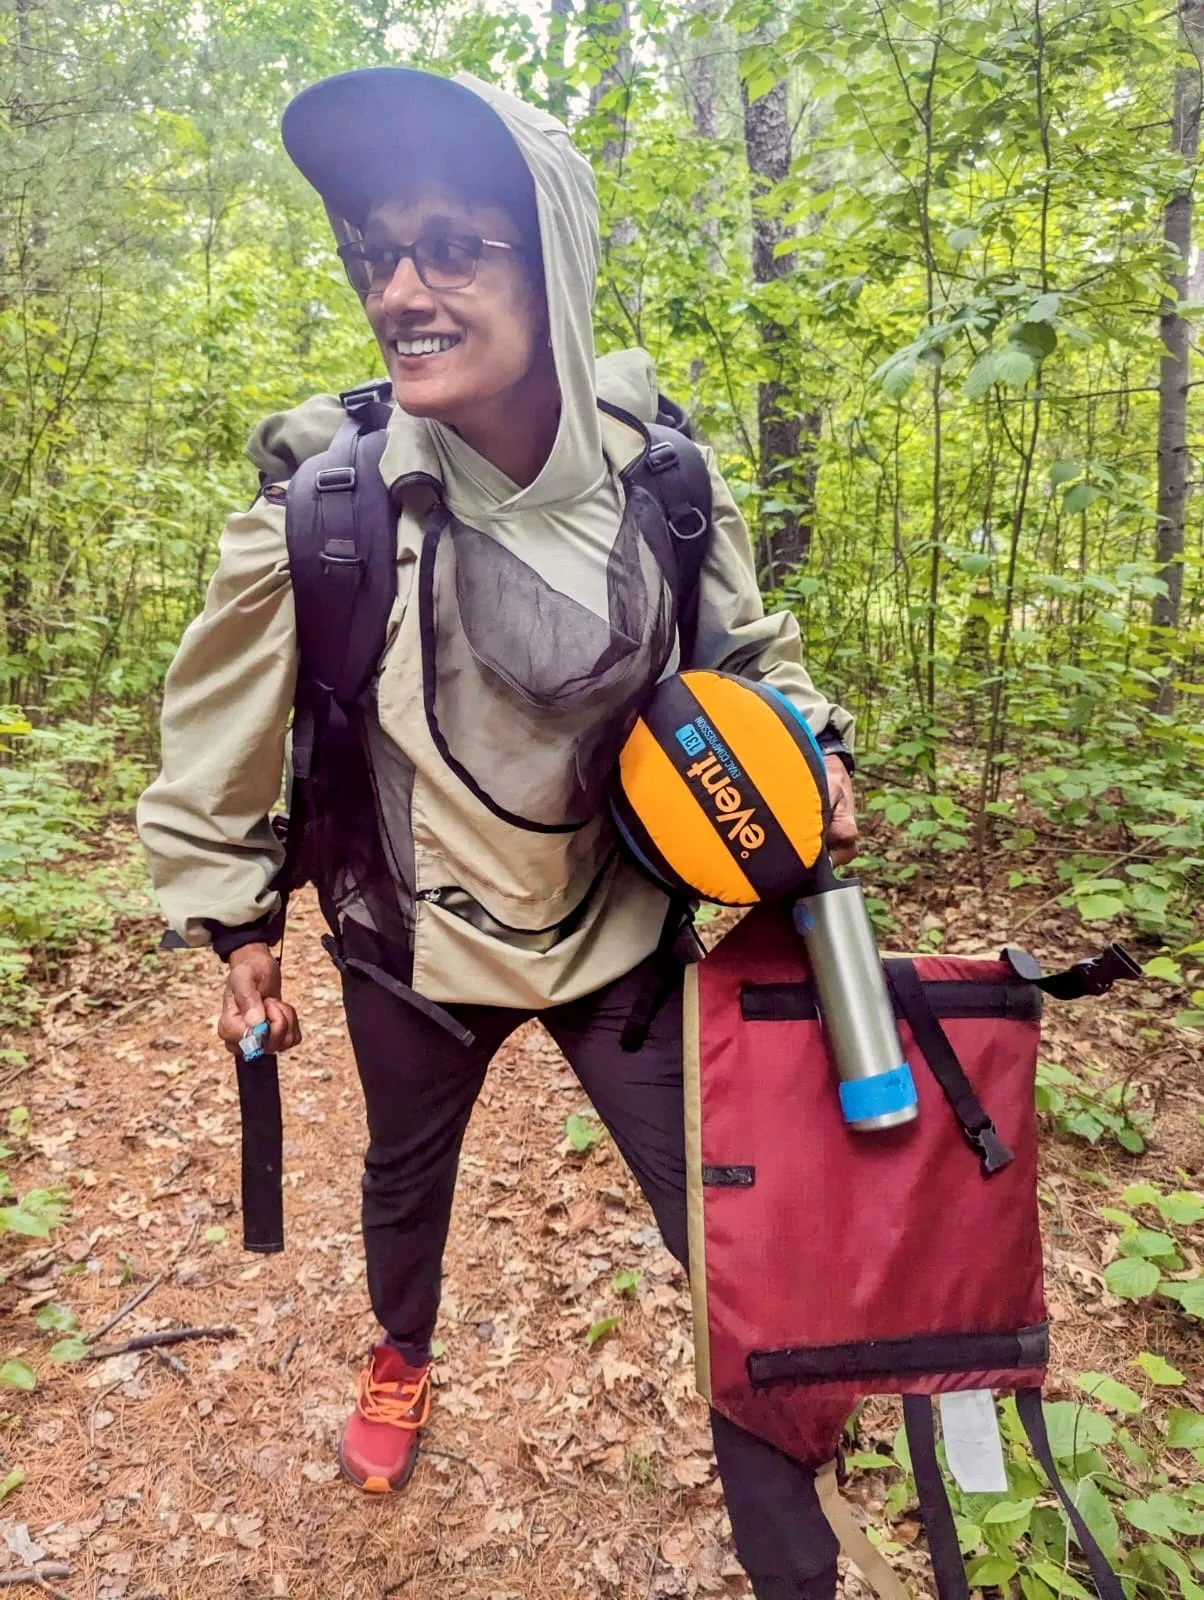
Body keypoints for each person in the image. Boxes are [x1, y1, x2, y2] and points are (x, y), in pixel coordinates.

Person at [137, 66, 859, 1600]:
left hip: (616, 930)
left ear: (557, 260)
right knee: (405, 1177)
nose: (401, 288)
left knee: (726, 1213)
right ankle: (402, 1350)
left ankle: (789, 1490)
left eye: (453, 246)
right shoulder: (326, 508)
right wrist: (235, 924)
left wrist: (815, 752)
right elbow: (220, 731)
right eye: (375, 254)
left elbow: (748, 661)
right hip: (411, 941)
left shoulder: (665, 479)